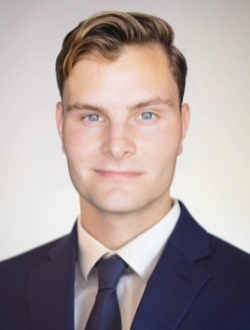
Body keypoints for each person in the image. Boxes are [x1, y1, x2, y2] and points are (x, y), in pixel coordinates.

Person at [1, 10, 250, 330]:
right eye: (92, 116)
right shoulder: (5, 288)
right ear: (61, 125)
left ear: (182, 126)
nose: (117, 146)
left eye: (146, 115)